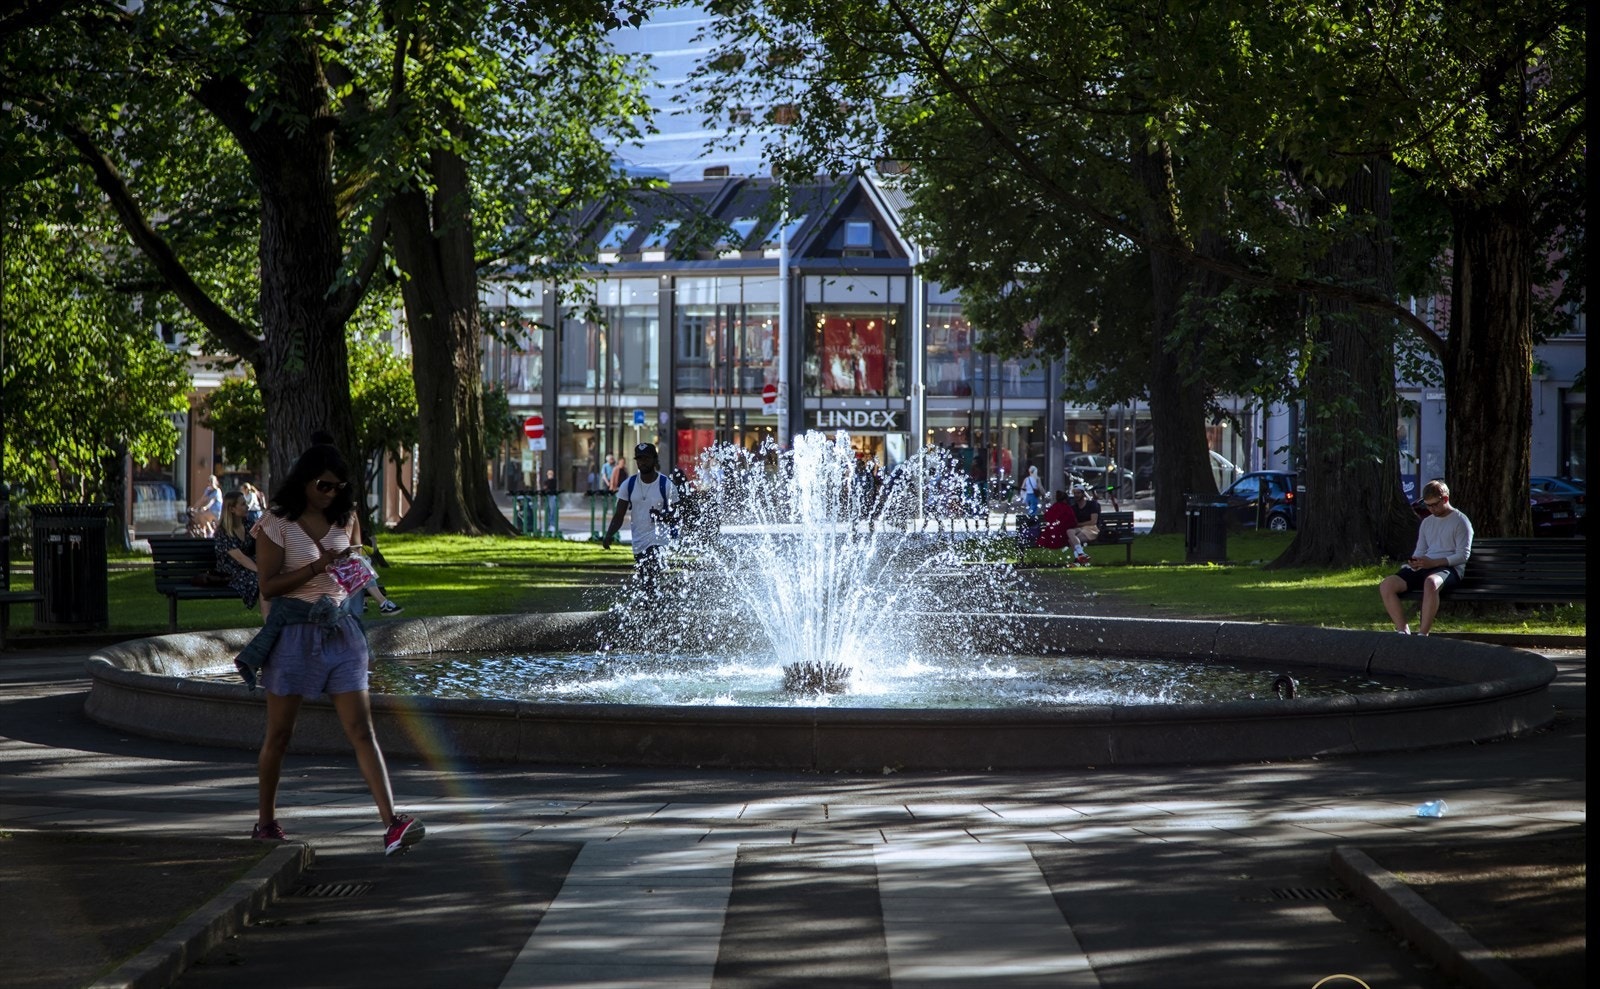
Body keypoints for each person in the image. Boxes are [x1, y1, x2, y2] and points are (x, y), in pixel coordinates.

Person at [244, 442, 424, 855]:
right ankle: (266, 823)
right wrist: (317, 566)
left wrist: (359, 573)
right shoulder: (276, 522)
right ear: (304, 481)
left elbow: (354, 570)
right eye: (323, 485)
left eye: (338, 487)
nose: (331, 493)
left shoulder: (347, 517)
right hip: (294, 633)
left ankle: (392, 824)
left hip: (341, 632)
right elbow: (268, 586)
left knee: (362, 730)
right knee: (280, 735)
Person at [1379, 479, 1473, 635]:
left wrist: (1434, 563)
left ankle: (1423, 634)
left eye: (1434, 505)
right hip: (1426, 565)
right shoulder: (1427, 522)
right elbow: (1420, 550)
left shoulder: (1460, 521)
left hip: (1448, 567)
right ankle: (1403, 631)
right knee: (1387, 585)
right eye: (1428, 505)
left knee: (1431, 583)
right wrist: (1415, 561)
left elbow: (1463, 555)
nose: (1431, 509)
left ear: (1445, 499)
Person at [599, 443, 679, 600]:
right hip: (639, 540)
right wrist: (609, 535)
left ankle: (652, 602)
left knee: (651, 569)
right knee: (645, 576)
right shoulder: (628, 485)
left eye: (646, 458)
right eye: (640, 459)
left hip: (659, 539)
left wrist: (662, 516)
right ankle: (655, 601)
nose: (643, 462)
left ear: (654, 460)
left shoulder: (666, 485)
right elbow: (619, 515)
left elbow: (677, 515)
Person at [214, 491, 266, 617]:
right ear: (232, 509)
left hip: (249, 567)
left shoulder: (249, 525)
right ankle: (269, 621)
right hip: (231, 571)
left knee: (274, 577)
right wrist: (262, 571)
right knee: (262, 580)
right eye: (243, 504)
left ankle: (276, 620)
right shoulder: (223, 532)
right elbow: (240, 558)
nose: (247, 507)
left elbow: (263, 544)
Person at [1066, 484, 1102, 565]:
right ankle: (1081, 555)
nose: (1076, 495)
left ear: (1083, 493)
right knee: (1069, 531)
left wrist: (1079, 524)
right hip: (1081, 528)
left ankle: (1077, 560)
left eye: (1078, 493)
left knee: (1071, 540)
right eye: (1075, 493)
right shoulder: (1074, 507)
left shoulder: (1092, 504)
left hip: (1092, 529)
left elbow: (1093, 521)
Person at [541, 468, 562, 536]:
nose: (550, 475)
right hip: (547, 496)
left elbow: (550, 486)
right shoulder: (546, 481)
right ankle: (547, 525)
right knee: (548, 511)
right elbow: (545, 488)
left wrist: (547, 487)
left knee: (553, 511)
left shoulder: (553, 481)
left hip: (552, 496)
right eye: (549, 474)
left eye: (551, 474)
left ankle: (552, 525)